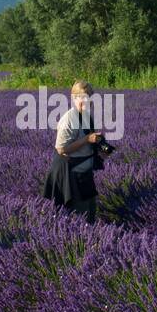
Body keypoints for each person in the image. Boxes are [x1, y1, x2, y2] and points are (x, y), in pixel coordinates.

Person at [44, 80, 105, 224]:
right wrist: (87, 139)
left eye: (89, 96)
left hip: (85, 174)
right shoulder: (68, 120)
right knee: (79, 217)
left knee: (90, 213)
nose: (86, 100)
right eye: (83, 96)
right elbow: (61, 149)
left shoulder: (87, 116)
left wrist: (101, 148)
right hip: (71, 175)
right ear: (74, 98)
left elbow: (90, 140)